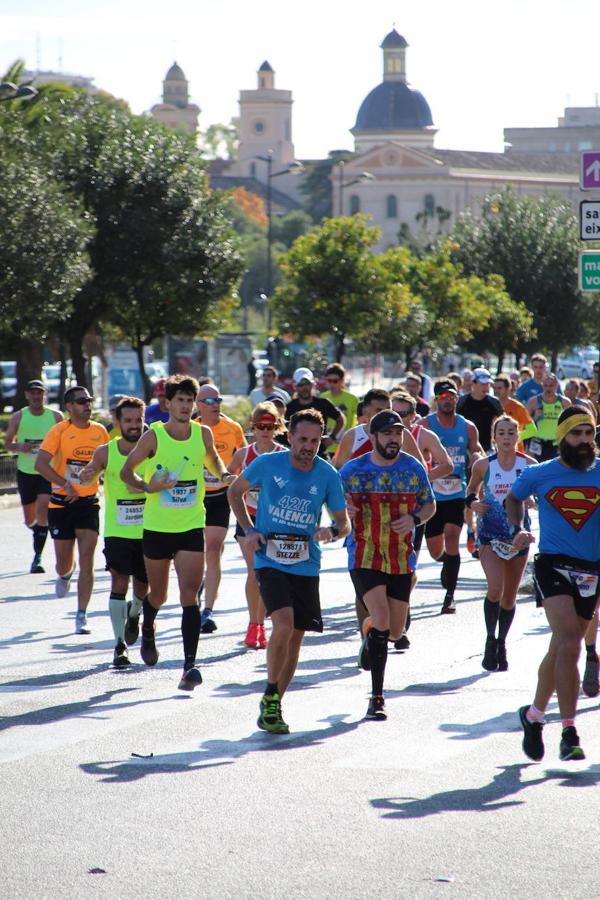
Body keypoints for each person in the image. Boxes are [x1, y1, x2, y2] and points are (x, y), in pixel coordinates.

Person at [228, 409, 351, 734]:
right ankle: (270, 690)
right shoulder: (269, 463)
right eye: (302, 439)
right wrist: (249, 529)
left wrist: (331, 532)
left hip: (306, 563)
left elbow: (344, 522)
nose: (308, 446)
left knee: (296, 637)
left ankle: (274, 704)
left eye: (314, 440)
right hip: (269, 559)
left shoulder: (326, 474)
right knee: (283, 625)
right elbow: (234, 491)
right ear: (291, 437)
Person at [120, 375, 235, 690]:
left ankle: (189, 667)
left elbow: (213, 460)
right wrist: (148, 486)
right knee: (158, 594)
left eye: (190, 400)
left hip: (190, 525)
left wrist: (225, 474)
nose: (185, 406)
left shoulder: (202, 433)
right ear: (168, 403)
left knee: (188, 596)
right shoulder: (153, 437)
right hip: (157, 528)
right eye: (180, 400)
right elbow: (125, 471)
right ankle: (147, 626)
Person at [507, 407, 600, 762]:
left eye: (589, 434)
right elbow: (513, 497)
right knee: (572, 643)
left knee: (559, 648)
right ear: (562, 437)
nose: (584, 442)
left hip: (592, 569)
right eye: (576, 435)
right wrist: (518, 530)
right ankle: (569, 731)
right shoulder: (540, 473)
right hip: (553, 565)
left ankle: (533, 716)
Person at [340, 410, 435, 720]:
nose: (395, 439)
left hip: (400, 555)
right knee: (381, 616)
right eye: (388, 434)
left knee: (394, 631)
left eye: (398, 433)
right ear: (374, 437)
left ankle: (370, 633)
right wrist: (344, 510)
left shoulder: (413, 468)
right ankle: (377, 697)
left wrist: (415, 518)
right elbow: (334, 502)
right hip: (364, 554)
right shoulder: (353, 470)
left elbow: (429, 504)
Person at [80, 397, 148, 668]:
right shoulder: (106, 451)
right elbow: (93, 469)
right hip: (118, 530)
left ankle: (135, 612)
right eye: (128, 420)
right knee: (119, 580)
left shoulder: (152, 448)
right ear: (118, 423)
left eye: (138, 420)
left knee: (144, 585)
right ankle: (119, 645)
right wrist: (88, 473)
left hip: (149, 529)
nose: (134, 426)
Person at [35, 386, 109, 633]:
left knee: (88, 558)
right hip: (61, 503)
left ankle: (81, 614)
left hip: (88, 503)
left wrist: (98, 474)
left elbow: (108, 463)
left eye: (89, 400)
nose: (87, 405)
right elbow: (40, 464)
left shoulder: (100, 432)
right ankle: (65, 574)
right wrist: (66, 484)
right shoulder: (59, 431)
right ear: (69, 407)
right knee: (63, 563)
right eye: (81, 401)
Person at [466, 416, 537, 672]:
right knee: (495, 589)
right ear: (494, 438)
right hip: (490, 535)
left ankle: (502, 642)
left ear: (518, 437)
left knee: (509, 597)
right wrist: (473, 504)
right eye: (502, 433)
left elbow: (542, 497)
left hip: (517, 537)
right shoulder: (483, 465)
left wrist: (532, 501)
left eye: (511, 433)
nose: (506, 438)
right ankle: (489, 640)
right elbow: (471, 490)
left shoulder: (529, 465)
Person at [228, 402, 288, 650]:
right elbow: (228, 475)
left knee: (267, 575)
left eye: (270, 426)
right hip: (248, 520)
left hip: (273, 521)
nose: (265, 430)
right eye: (260, 426)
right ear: (253, 427)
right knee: (255, 570)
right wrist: (238, 482)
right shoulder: (244, 454)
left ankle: (261, 623)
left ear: (277, 427)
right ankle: (255, 626)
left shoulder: (283, 453)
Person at [424, 380, 481, 613]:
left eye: (452, 396)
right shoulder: (424, 425)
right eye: (443, 397)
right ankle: (447, 564)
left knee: (452, 537)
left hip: (457, 491)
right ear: (437, 400)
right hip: (432, 494)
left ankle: (450, 596)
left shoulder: (467, 427)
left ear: (457, 398)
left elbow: (475, 448)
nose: (448, 400)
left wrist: (478, 457)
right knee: (436, 551)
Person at [195, 382, 247, 632]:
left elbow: (244, 458)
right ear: (198, 405)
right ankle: (196, 587)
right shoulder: (190, 430)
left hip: (219, 497)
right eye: (209, 401)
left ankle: (207, 611)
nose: (215, 405)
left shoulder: (232, 428)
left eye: (218, 400)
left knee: (214, 549)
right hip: (192, 498)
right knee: (195, 553)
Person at [5, 379, 63, 573]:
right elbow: (8, 443)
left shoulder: (55, 416)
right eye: (33, 393)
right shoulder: (18, 417)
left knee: (43, 508)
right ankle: (39, 531)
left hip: (47, 471)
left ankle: (37, 558)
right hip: (26, 472)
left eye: (39, 392)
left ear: (44, 394)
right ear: (27, 395)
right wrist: (21, 446)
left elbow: (65, 441)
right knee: (31, 520)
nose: (36, 396)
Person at [286, 368, 345, 458]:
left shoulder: (323, 403)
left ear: (313, 384)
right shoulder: (290, 407)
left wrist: (332, 437)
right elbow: (285, 428)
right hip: (297, 455)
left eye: (307, 384)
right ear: (295, 386)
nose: (304, 388)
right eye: (301, 385)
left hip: (320, 454)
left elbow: (340, 419)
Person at [526, 372, 570, 462]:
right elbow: (525, 424)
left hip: (556, 442)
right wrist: (535, 418)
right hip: (537, 442)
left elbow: (571, 423)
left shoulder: (565, 402)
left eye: (551, 386)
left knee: (555, 470)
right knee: (537, 468)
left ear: (556, 386)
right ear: (542, 385)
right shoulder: (533, 402)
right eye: (545, 385)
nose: (548, 388)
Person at [492, 374, 537, 451]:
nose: (496, 391)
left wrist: (513, 436)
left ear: (508, 389)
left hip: (516, 452)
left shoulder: (518, 407)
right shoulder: (490, 405)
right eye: (494, 388)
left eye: (499, 388)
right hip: (495, 451)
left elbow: (532, 430)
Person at [320, 363, 359, 450]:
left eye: (335, 381)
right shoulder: (322, 397)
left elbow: (361, 420)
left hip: (346, 447)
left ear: (342, 381)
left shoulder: (352, 399)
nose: (332, 384)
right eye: (329, 381)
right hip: (327, 447)